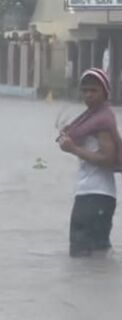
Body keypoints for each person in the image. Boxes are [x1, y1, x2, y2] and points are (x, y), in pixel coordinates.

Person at [59, 68, 121, 257]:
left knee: (82, 254)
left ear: (105, 92)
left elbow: (108, 158)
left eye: (94, 90)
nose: (88, 95)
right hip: (91, 193)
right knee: (94, 259)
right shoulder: (90, 118)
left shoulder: (102, 121)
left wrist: (74, 149)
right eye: (85, 90)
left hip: (96, 194)